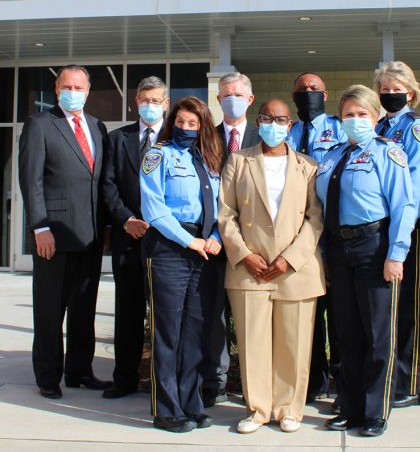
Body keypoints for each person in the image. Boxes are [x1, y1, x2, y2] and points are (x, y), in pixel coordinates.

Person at [218, 98, 326, 434]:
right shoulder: (238, 161)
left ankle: (289, 408)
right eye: (267, 118)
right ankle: (259, 408)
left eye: (280, 119)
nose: (273, 124)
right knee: (254, 342)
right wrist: (244, 254)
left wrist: (289, 258)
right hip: (249, 267)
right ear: (258, 120)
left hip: (295, 268)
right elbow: (226, 213)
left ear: (290, 124)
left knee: (294, 343)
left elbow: (315, 218)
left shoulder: (308, 166)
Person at [315, 84, 416, 437]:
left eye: (362, 114)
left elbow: (404, 205)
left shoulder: (389, 154)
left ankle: (375, 411)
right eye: (348, 115)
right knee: (347, 335)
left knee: (377, 335)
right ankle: (350, 406)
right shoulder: (331, 156)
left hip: (375, 248)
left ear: (375, 118)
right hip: (339, 252)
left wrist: (396, 254)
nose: (355, 120)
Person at [17, 64, 111, 399]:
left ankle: (80, 371)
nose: (73, 92)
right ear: (57, 90)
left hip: (90, 236)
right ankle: (47, 375)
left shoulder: (98, 127)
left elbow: (100, 182)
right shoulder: (40, 124)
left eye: (80, 87)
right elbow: (31, 180)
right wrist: (39, 226)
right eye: (67, 86)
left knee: (84, 309)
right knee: (50, 309)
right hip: (53, 237)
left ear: (88, 91)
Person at [139, 96, 224, 433]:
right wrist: (190, 241)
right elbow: (153, 209)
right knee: (168, 333)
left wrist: (215, 234)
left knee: (194, 334)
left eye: (193, 123)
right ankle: (167, 408)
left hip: (204, 251)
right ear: (171, 122)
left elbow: (218, 207)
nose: (186, 128)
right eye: (181, 122)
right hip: (170, 249)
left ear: (202, 126)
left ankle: (191, 402)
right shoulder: (157, 155)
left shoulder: (208, 160)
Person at [100, 76, 169, 399]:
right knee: (127, 313)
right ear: (135, 102)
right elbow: (108, 185)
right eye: (145, 100)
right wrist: (126, 219)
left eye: (156, 100)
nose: (150, 105)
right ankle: (124, 378)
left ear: (166, 104)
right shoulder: (118, 139)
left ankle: (161, 380)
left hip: (167, 243)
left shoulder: (177, 137)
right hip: (128, 240)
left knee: (164, 315)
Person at [373, 62, 420, 408]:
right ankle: (389, 378)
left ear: (410, 93)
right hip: (382, 226)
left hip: (408, 227)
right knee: (388, 308)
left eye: (396, 89)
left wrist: (400, 234)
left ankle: (411, 383)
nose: (390, 94)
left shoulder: (415, 129)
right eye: (384, 89)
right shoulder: (379, 126)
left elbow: (413, 185)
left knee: (408, 306)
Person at [286, 72, 346, 405]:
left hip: (332, 236)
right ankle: (313, 380)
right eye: (302, 90)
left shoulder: (338, 128)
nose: (307, 94)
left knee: (338, 315)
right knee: (309, 314)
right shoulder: (289, 132)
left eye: (314, 90)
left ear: (325, 95)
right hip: (300, 239)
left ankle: (341, 379)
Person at [203, 71, 260, 406]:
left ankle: (255, 386)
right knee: (214, 318)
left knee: (251, 319)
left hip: (252, 245)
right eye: (225, 94)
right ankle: (215, 382)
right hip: (213, 242)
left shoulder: (263, 136)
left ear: (249, 99)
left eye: (237, 94)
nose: (231, 99)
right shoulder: (205, 137)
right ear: (218, 99)